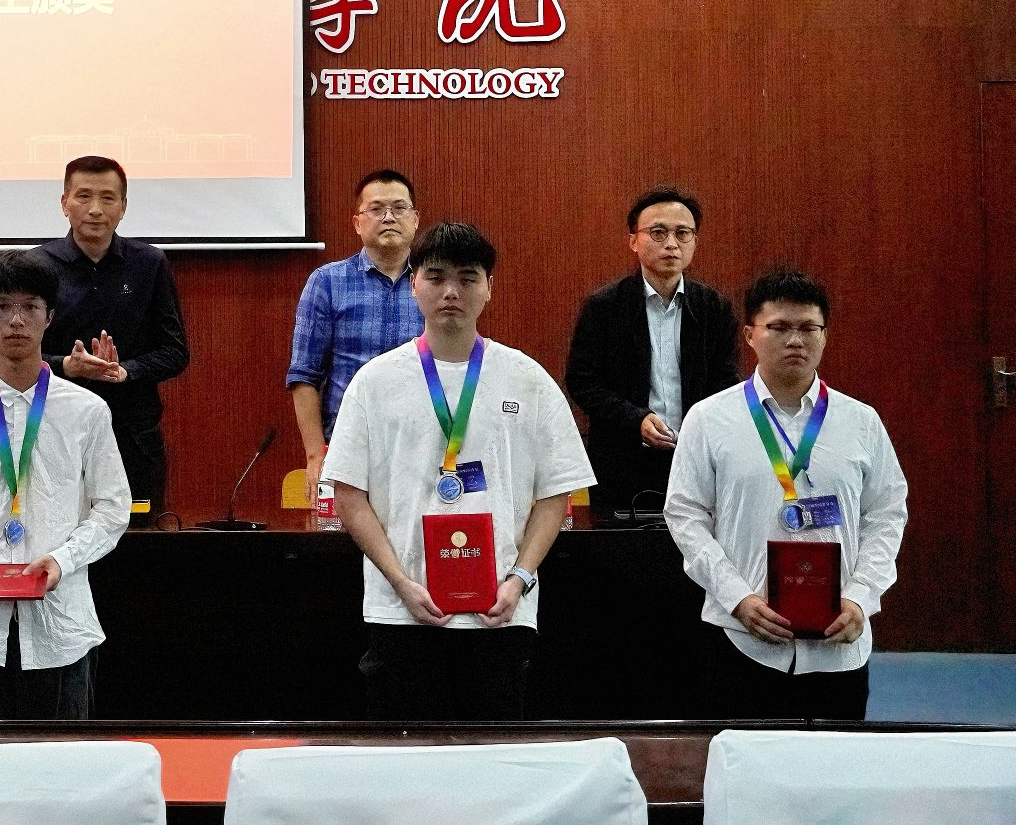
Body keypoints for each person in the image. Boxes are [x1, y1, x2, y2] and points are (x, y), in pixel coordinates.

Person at [326, 221, 596, 721]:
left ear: (489, 287)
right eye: (436, 277)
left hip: (500, 612)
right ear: (414, 284)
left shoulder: (527, 379)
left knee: (493, 755)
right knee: (407, 755)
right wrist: (401, 583)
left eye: (468, 278)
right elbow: (348, 495)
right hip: (402, 612)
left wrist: (519, 579)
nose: (451, 292)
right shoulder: (374, 382)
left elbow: (555, 494)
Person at [665, 270, 908, 720]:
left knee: (836, 761)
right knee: (744, 760)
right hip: (742, 638)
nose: (795, 340)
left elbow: (887, 515)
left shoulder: (861, 421)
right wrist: (737, 598)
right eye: (779, 327)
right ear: (750, 335)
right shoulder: (709, 419)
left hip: (840, 642)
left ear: (824, 335)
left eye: (808, 328)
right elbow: (685, 515)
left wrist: (861, 596)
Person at [0, 250, 131, 719]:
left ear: (49, 316)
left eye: (30, 307)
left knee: (60, 758)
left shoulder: (87, 410)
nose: (16, 320)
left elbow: (112, 507)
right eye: (2, 307)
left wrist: (63, 559)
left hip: (61, 622)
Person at [565, 186, 739, 513]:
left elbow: (726, 383)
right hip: (621, 463)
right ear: (634, 240)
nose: (671, 243)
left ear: (695, 242)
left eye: (682, 233)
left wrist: (697, 429)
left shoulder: (714, 308)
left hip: (695, 460)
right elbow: (583, 382)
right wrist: (636, 420)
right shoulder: (604, 307)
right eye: (658, 232)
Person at [33, 156, 189, 521]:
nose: (95, 209)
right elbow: (18, 355)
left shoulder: (149, 264)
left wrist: (126, 370)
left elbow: (176, 352)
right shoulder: (37, 266)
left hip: (133, 437)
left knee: (135, 538)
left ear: (123, 207)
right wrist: (66, 365)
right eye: (83, 196)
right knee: (55, 535)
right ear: (64, 203)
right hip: (55, 435)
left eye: (107, 198)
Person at [286, 169, 426, 482]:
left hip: (423, 445)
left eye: (399, 208)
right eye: (376, 209)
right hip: (347, 446)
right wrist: (315, 454)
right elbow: (304, 375)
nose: (388, 217)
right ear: (357, 223)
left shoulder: (434, 282)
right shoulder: (327, 282)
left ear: (416, 219)